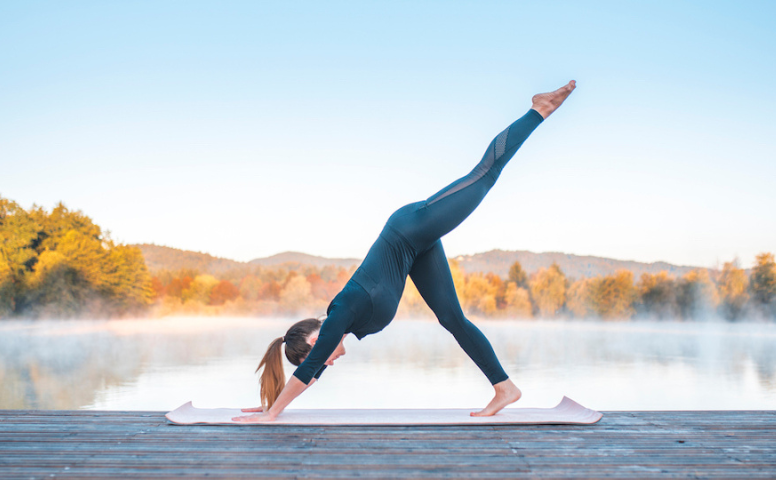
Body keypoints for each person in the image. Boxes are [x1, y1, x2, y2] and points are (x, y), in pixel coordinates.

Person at [233, 81, 576, 423]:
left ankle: (539, 109)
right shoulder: (342, 323)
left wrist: (273, 414)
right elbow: (313, 367)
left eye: (321, 355)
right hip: (415, 250)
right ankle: (505, 388)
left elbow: (310, 368)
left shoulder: (341, 311)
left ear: (314, 337)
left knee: (484, 174)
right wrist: (272, 405)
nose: (330, 362)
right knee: (452, 319)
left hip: (409, 228)